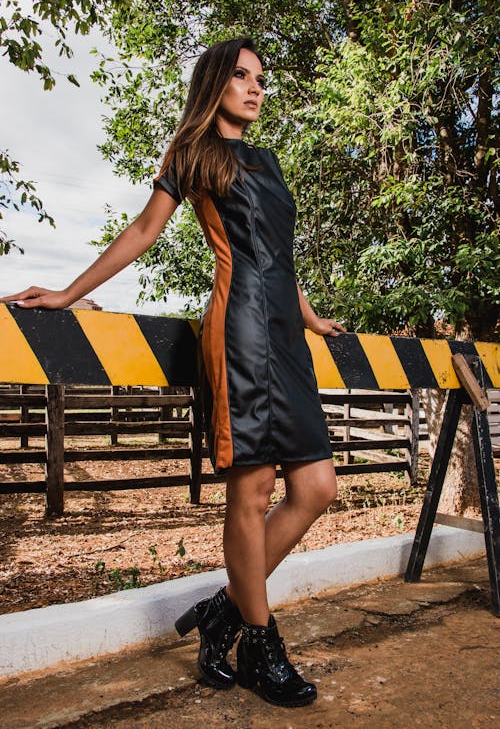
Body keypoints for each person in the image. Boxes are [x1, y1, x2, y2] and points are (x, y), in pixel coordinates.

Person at [0, 37, 345, 708]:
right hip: (240, 330)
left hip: (285, 333)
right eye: (242, 75)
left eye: (261, 79)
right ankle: (259, 639)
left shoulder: (268, 161)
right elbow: (142, 231)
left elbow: (283, 255)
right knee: (251, 493)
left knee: (317, 486)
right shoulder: (193, 154)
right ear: (215, 81)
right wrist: (69, 294)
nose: (255, 88)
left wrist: (309, 318)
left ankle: (222, 611)